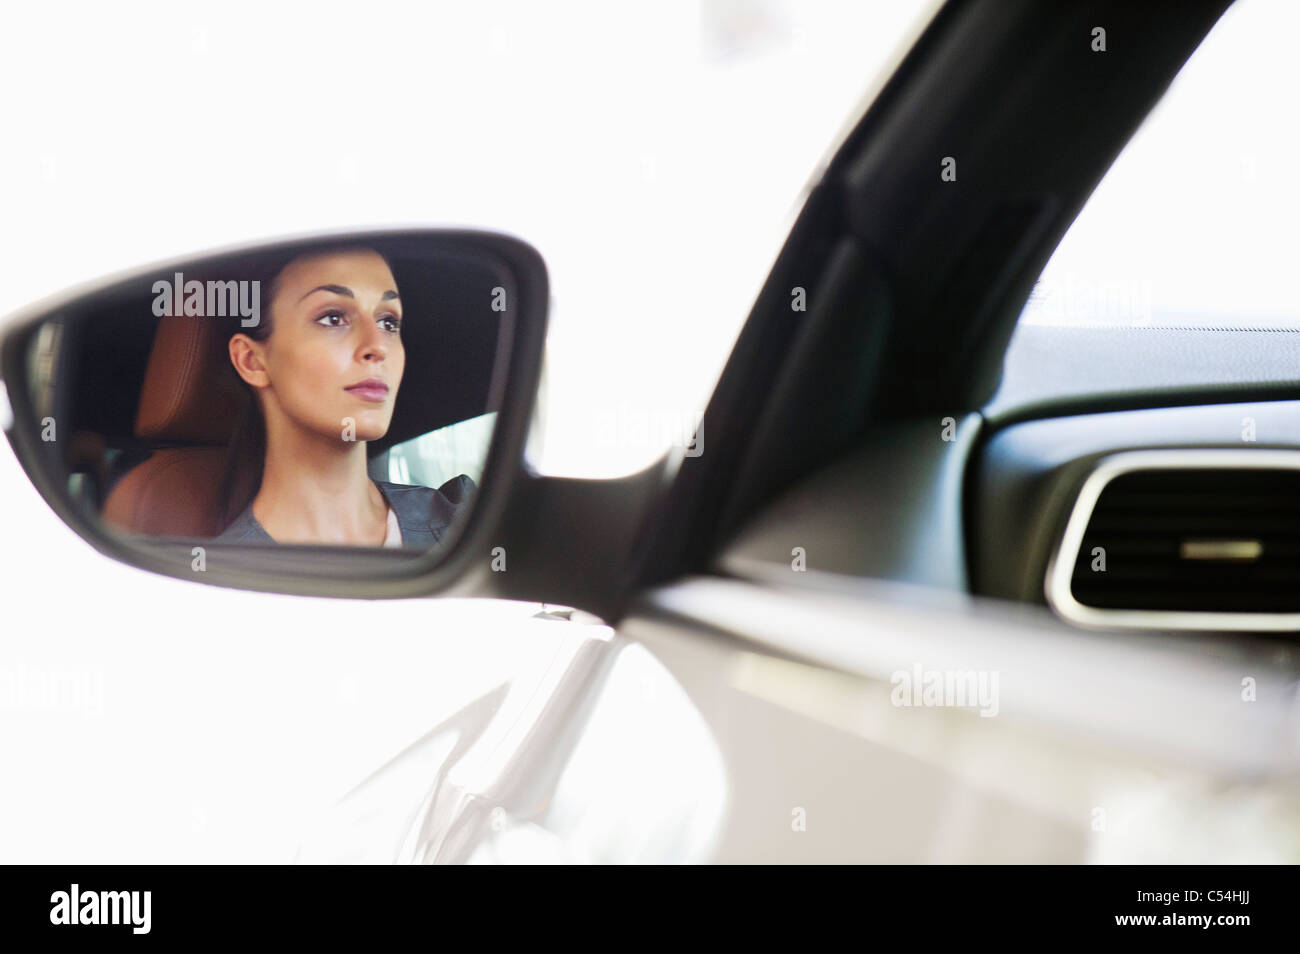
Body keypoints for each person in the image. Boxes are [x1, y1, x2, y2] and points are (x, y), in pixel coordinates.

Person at [214, 246, 473, 546]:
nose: (378, 346)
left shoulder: (467, 526)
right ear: (252, 361)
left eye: (389, 322)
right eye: (333, 318)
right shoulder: (219, 579)